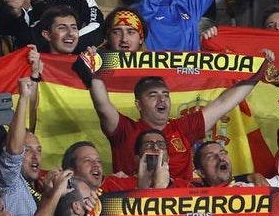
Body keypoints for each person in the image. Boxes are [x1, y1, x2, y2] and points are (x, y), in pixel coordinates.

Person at [79, 50, 267, 181]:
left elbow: (223, 103)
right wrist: (93, 69)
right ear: (138, 104)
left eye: (165, 95)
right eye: (153, 95)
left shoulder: (182, 128)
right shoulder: (125, 130)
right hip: (136, 211)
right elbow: (103, 105)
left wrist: (259, 72)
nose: (162, 100)